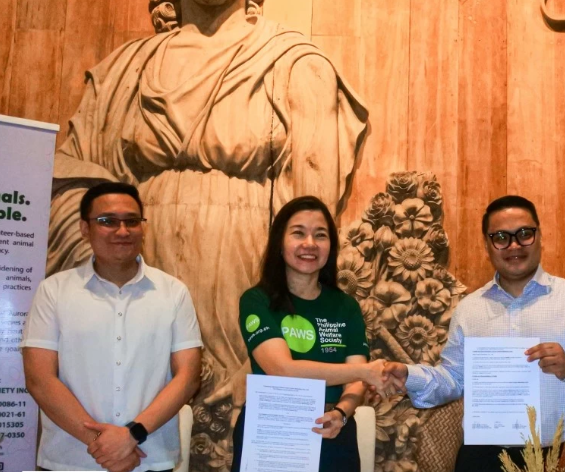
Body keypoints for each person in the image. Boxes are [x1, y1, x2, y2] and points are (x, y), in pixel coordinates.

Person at [47, 0, 369, 423]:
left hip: (242, 258)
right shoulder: (126, 69)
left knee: (224, 422)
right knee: (143, 401)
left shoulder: (294, 62)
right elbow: (79, 181)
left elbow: (309, 215)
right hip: (143, 272)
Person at [381, 195, 565, 472]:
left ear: (539, 236)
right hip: (483, 466)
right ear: (487, 245)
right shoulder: (470, 310)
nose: (514, 245)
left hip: (555, 465)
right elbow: (452, 379)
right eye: (500, 237)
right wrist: (408, 375)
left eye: (524, 234)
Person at [22, 182, 203, 472]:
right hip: (67, 464)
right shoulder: (54, 291)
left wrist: (132, 435)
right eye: (107, 221)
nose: (122, 230)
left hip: (147, 461)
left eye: (132, 221)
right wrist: (100, 443)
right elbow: (39, 379)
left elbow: (187, 377)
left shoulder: (173, 292)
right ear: (85, 228)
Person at [228, 196, 385, 472]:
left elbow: (354, 382)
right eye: (298, 233)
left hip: (333, 433)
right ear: (280, 242)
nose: (309, 244)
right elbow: (281, 369)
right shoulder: (257, 300)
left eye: (320, 235)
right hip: (273, 433)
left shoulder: (345, 306)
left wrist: (342, 412)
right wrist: (365, 371)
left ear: (331, 246)